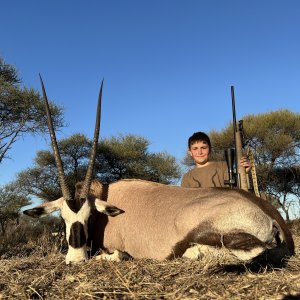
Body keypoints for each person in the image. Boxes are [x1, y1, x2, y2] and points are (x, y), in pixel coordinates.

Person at [181, 131, 251, 188]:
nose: (200, 152)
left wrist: (244, 173)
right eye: (195, 148)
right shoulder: (187, 178)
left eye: (204, 148)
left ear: (210, 149)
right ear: (190, 152)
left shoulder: (223, 166)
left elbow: (237, 189)